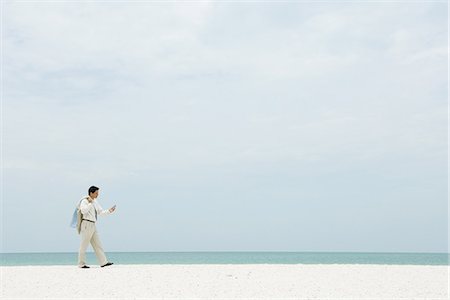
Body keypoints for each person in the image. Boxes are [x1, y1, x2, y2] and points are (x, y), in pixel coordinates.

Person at [78, 186, 116, 268]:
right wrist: (90, 203)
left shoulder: (95, 201)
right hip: (86, 224)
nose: (97, 195)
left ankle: (103, 262)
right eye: (96, 193)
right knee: (84, 245)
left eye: (98, 193)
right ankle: (81, 264)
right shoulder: (84, 201)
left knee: (98, 244)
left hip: (93, 224)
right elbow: (83, 210)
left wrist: (109, 211)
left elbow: (100, 212)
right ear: (91, 193)